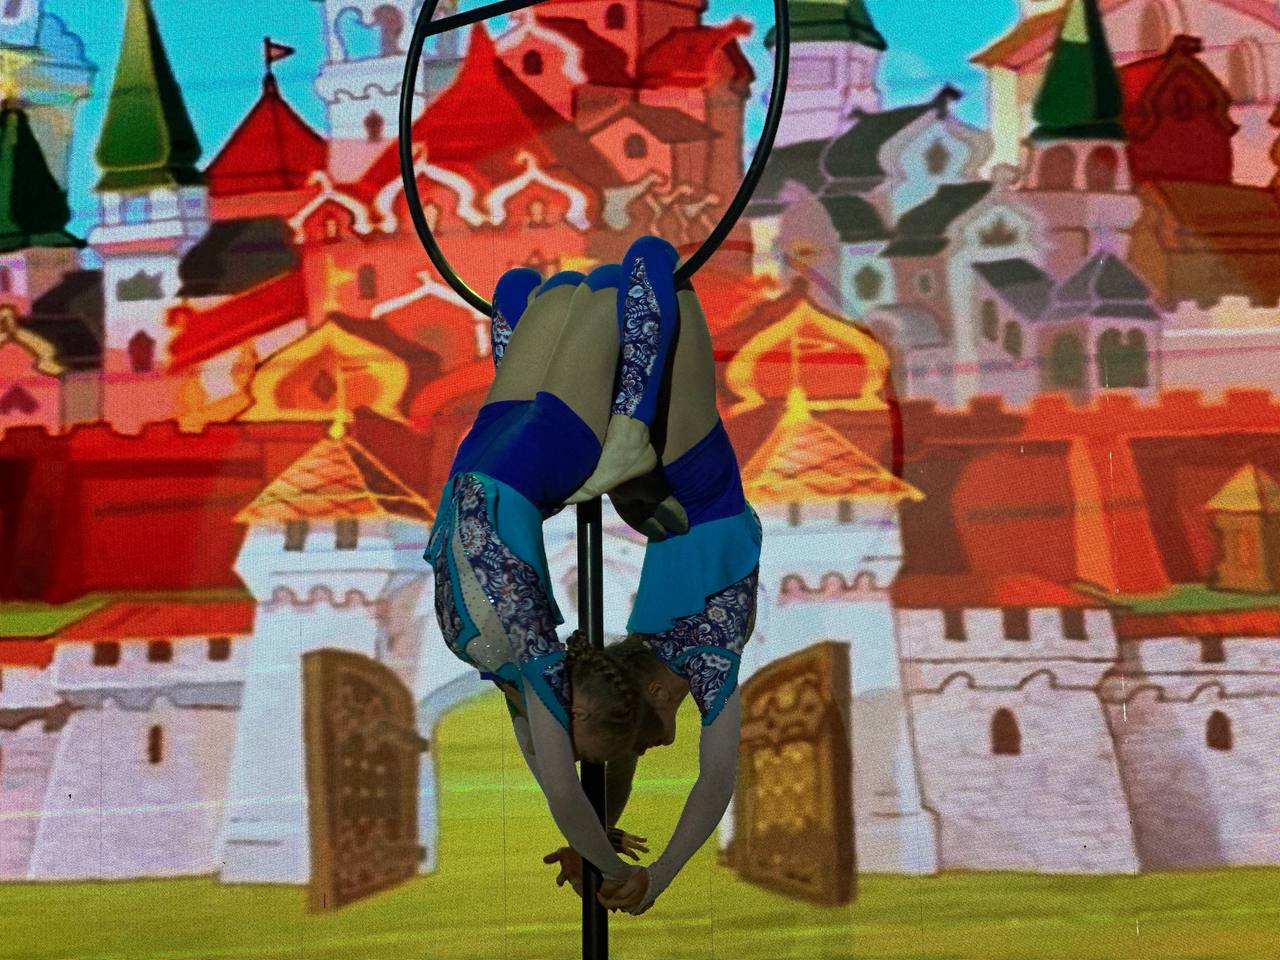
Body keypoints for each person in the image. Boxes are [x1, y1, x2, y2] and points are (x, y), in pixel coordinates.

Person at [424, 236, 691, 903]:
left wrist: (593, 842)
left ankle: (623, 420)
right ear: (577, 707)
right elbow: (570, 792)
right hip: (508, 464)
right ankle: (628, 429)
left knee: (558, 292)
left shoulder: (528, 678)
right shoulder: (534, 670)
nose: (568, 758)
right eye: (582, 748)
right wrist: (613, 868)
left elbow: (575, 773)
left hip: (506, 466)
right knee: (590, 290)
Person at [544, 251, 762, 916]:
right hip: (673, 493)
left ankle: (601, 295)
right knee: (639, 293)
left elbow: (714, 781)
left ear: (655, 697)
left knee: (652, 270)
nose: (647, 748)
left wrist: (650, 873)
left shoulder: (694, 664)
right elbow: (632, 759)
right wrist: (596, 840)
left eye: (641, 738)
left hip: (696, 490)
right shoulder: (668, 661)